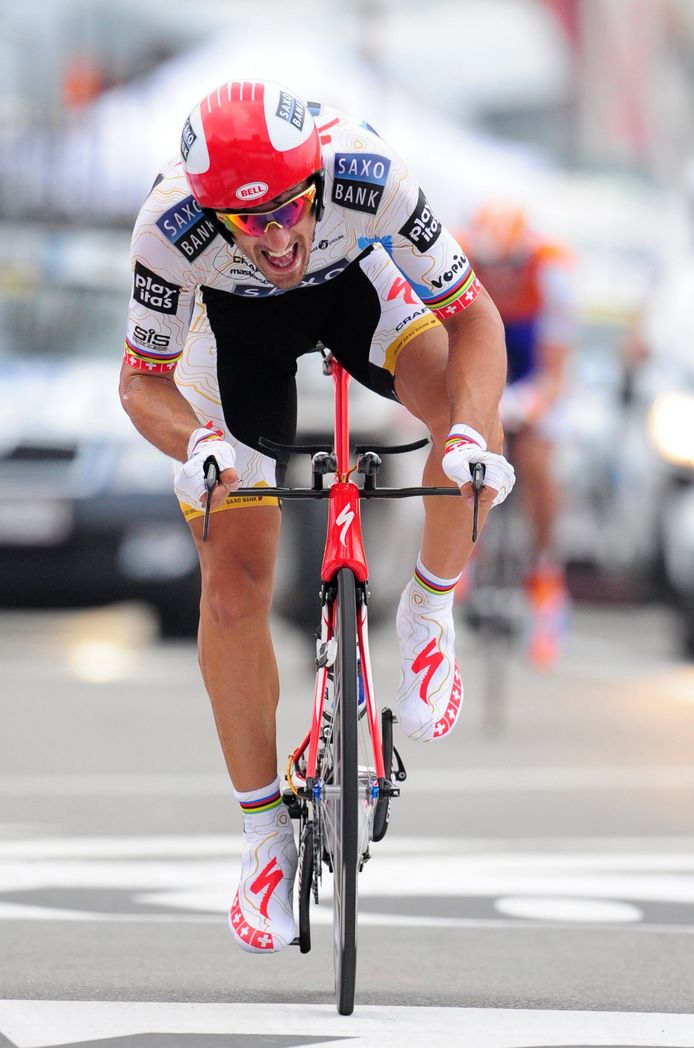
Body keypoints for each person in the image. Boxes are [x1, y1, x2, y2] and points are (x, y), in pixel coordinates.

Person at [119, 79, 514, 955]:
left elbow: (476, 317)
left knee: (471, 417)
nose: (276, 237)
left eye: (291, 210)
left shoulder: (369, 174)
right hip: (229, 339)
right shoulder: (169, 226)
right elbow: (141, 382)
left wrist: (466, 436)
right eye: (247, 221)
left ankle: (426, 613)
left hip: (357, 289)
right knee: (232, 584)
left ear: (314, 179)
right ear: (211, 209)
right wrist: (196, 446)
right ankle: (264, 837)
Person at [459, 202, 574, 667]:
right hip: (483, 373)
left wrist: (531, 403)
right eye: (492, 266)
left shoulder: (551, 274)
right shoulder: (459, 262)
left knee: (538, 462)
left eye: (510, 266)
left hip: (531, 378)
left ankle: (546, 574)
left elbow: (557, 367)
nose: (501, 277)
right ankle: (462, 559)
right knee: (460, 449)